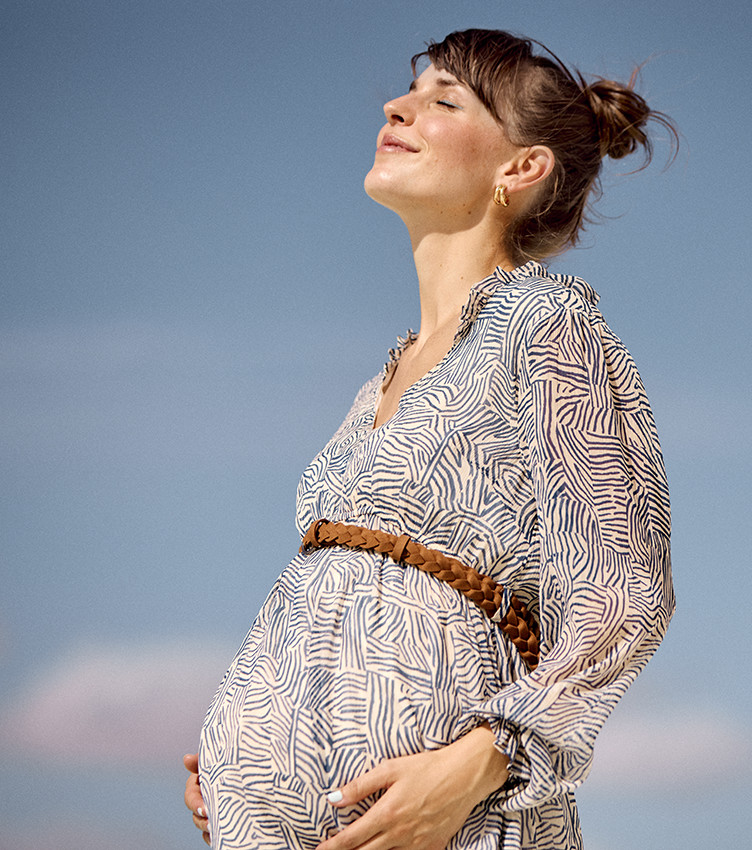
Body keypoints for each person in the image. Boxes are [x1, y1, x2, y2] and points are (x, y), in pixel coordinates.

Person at [184, 28, 676, 850]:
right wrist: (251, 737)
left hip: (456, 823)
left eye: (443, 100)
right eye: (409, 92)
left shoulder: (546, 324)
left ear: (521, 168)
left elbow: (622, 597)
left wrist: (483, 762)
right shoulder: (373, 386)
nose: (395, 106)